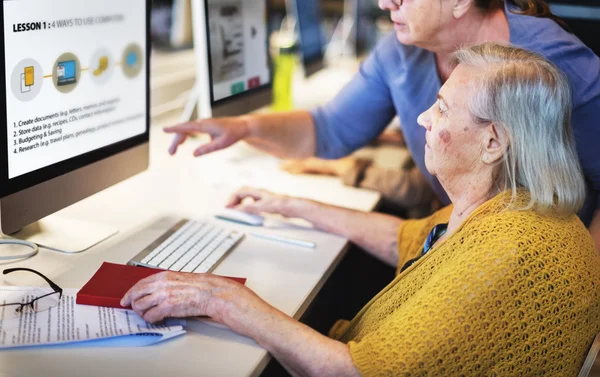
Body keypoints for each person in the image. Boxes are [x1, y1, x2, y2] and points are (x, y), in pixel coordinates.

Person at [124, 44, 600, 376]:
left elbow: (348, 372)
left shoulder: (508, 252)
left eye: (441, 108)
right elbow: (406, 238)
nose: (422, 120)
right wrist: (294, 204)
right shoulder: (509, 208)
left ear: (493, 142)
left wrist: (221, 300)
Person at [164, 0, 600, 251]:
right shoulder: (402, 51)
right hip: (457, 246)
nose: (383, 1)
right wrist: (244, 127)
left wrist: (586, 302)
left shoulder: (558, 65)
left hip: (532, 269)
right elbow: (330, 129)